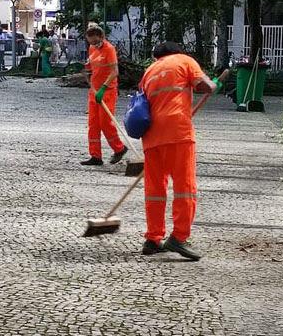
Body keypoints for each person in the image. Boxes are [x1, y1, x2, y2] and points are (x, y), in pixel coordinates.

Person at [138, 41, 218, 261]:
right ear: (178, 52)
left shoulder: (149, 71)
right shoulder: (185, 61)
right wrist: (214, 83)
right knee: (185, 188)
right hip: (178, 133)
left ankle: (153, 238)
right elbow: (205, 86)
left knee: (155, 190)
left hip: (151, 135)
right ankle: (179, 237)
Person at [82, 25, 128, 166]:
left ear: (101, 37)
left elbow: (115, 71)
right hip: (94, 91)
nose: (94, 44)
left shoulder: (109, 49)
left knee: (105, 122)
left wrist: (103, 87)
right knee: (93, 124)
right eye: (91, 42)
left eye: (95, 41)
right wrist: (87, 72)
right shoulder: (92, 49)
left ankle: (119, 148)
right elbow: (90, 67)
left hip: (107, 91)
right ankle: (95, 156)